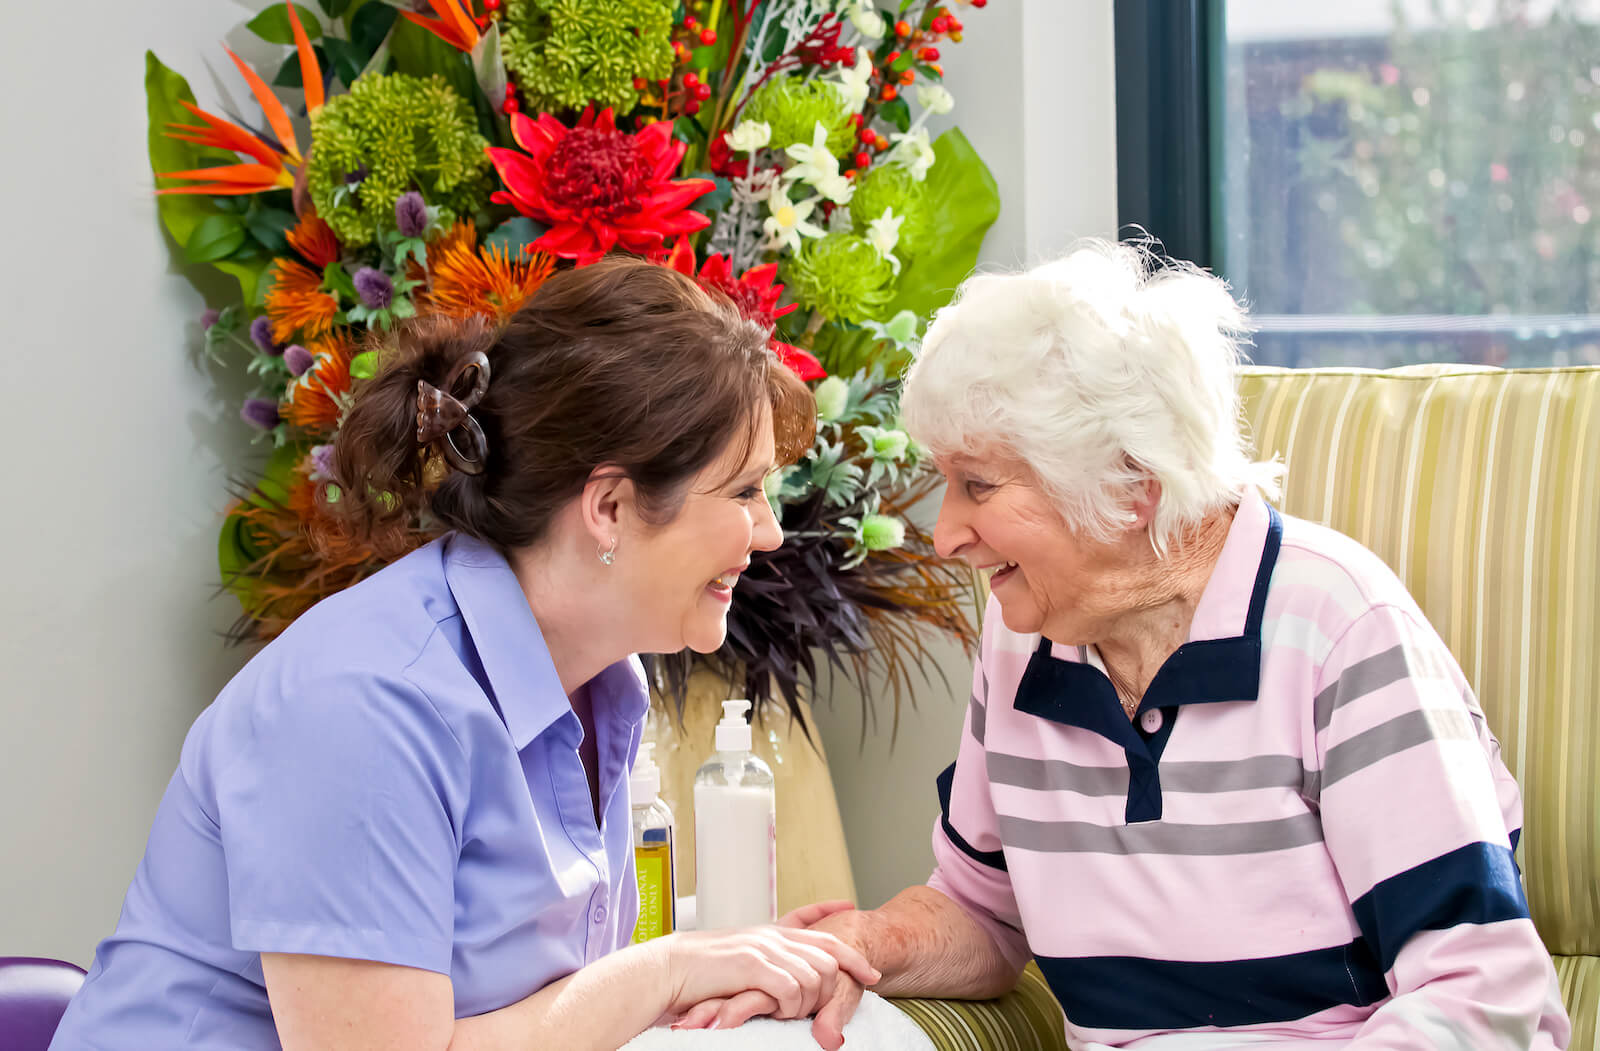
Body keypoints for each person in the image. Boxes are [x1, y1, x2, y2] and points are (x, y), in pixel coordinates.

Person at [676, 243, 1572, 1049]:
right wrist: (856, 943)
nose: (946, 534)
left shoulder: (1339, 627)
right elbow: (985, 918)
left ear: (1129, 485)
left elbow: (1480, 988)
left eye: (977, 484)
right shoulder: (1024, 635)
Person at [50, 258, 879, 1050]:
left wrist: (724, 956)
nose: (769, 531)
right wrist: (669, 969)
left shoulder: (603, 683)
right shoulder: (365, 706)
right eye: (743, 491)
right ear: (611, 506)